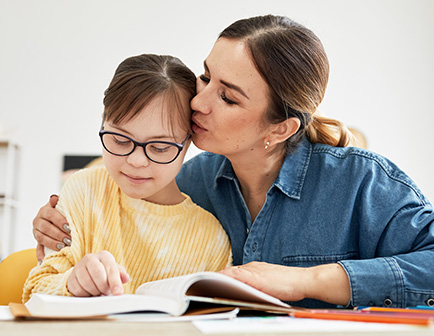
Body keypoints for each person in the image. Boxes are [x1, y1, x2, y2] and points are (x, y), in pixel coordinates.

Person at [32, 15, 434, 309]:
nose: (198, 101)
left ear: (279, 129)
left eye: (228, 97)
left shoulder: (361, 182)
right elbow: (105, 200)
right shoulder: (193, 181)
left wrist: (308, 280)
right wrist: (55, 223)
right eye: (206, 77)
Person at [23, 54, 231, 301]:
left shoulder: (210, 237)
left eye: (160, 147)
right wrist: (71, 282)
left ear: (188, 143)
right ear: (103, 123)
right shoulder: (85, 190)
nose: (136, 161)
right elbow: (35, 289)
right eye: (120, 140)